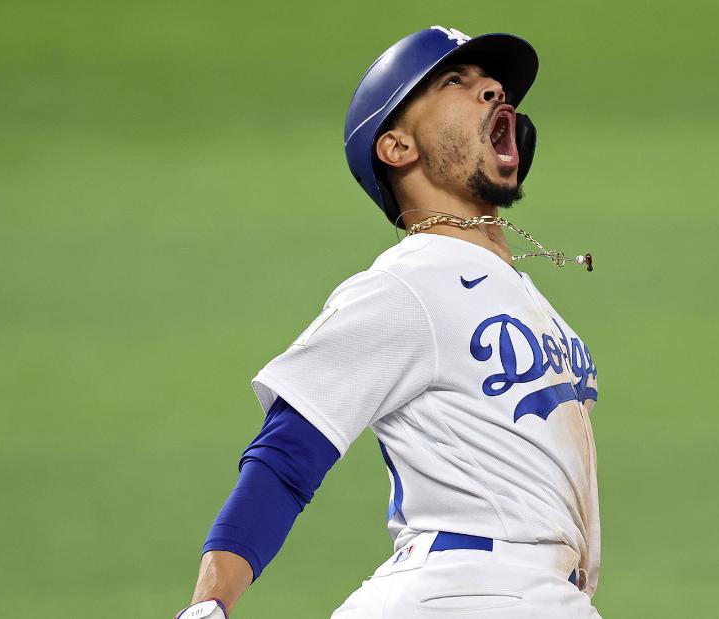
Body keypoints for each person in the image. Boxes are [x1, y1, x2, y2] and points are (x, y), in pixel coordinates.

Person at [174, 25, 603, 619]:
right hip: (461, 593)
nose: (494, 91)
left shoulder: (524, 297)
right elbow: (286, 458)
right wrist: (209, 605)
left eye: (493, 84)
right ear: (397, 147)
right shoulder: (407, 284)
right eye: (456, 81)